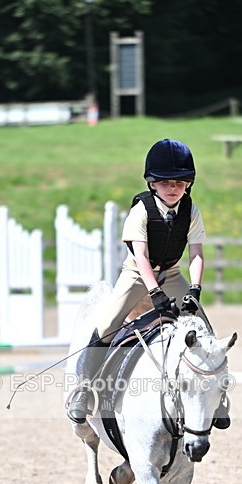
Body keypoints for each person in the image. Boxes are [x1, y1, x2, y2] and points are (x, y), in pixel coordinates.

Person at [67, 138, 207, 424]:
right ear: (153, 183)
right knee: (107, 324)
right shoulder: (141, 210)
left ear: (188, 184)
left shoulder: (191, 211)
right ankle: (83, 389)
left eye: (180, 183)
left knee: (203, 327)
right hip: (136, 274)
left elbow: (196, 254)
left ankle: (214, 394)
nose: (174, 188)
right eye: (167, 182)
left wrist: (195, 289)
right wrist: (154, 293)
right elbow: (140, 257)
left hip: (172, 274)